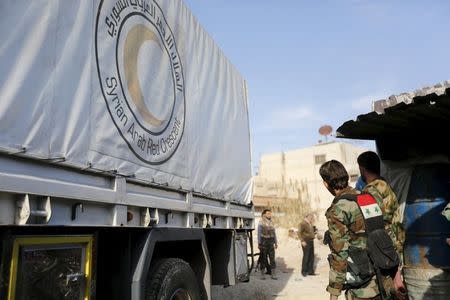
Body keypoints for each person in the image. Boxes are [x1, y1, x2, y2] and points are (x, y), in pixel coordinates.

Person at [320, 160, 380, 300]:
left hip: (361, 286)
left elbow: (340, 254)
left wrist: (334, 294)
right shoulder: (367, 197)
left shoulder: (337, 210)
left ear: (326, 183)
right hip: (382, 279)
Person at [357, 151, 406, 297]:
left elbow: (371, 225)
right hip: (396, 245)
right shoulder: (384, 185)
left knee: (388, 291)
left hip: (385, 253)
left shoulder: (370, 192)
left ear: (362, 169)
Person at [257, 209, 278, 280]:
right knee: (263, 259)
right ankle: (262, 274)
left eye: (270, 213)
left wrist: (276, 242)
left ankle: (273, 274)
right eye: (268, 213)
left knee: (272, 259)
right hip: (263, 242)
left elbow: (274, 233)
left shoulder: (272, 222)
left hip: (271, 242)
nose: (270, 215)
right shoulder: (261, 222)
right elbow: (259, 233)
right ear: (264, 214)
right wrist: (259, 243)